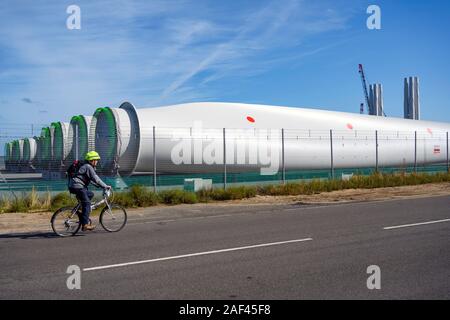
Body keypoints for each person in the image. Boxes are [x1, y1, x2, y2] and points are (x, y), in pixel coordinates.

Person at [68, 151, 111, 231]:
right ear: (92, 160)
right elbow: (96, 178)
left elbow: (91, 180)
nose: (97, 162)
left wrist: (99, 186)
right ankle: (85, 225)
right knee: (87, 204)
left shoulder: (85, 166)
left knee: (90, 194)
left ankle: (80, 210)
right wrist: (105, 186)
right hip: (78, 186)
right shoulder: (88, 167)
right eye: (96, 160)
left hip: (74, 186)